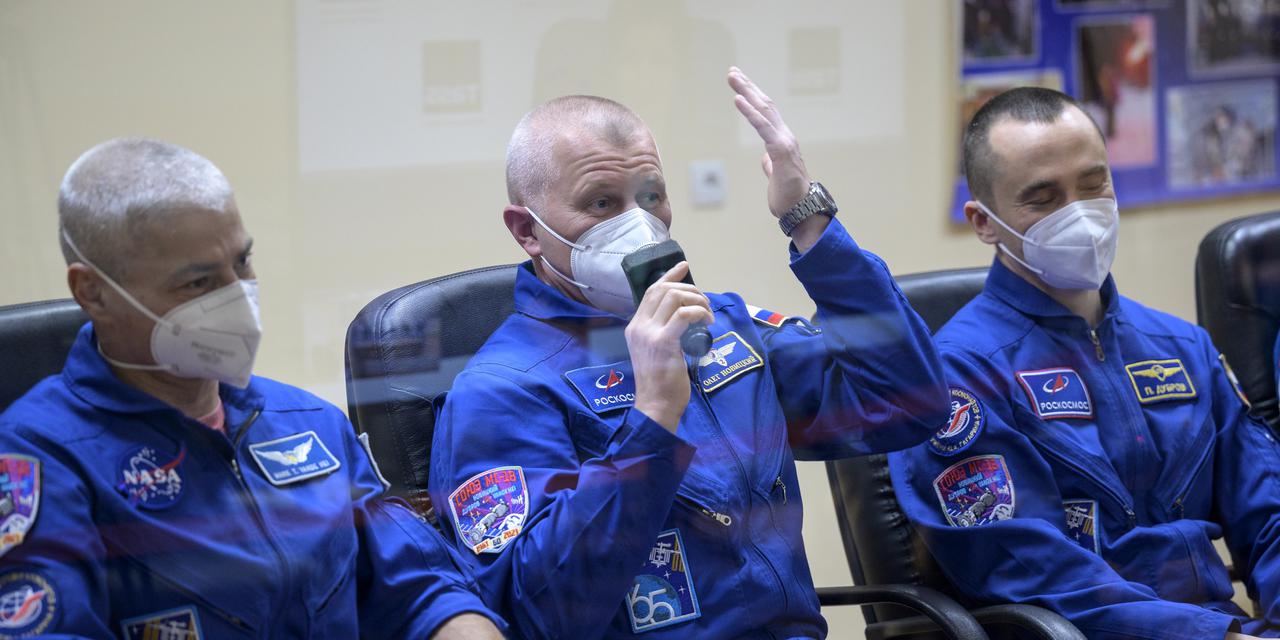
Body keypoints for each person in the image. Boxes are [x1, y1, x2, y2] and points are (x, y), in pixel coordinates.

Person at [427, 67, 949, 638]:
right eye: (601, 203)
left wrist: (808, 221)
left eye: (651, 196)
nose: (638, 224)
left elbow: (909, 405)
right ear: (528, 231)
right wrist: (652, 420)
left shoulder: (721, 325)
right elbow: (537, 612)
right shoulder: (502, 390)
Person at [0, 138, 506, 639]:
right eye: (197, 283)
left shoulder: (310, 422)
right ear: (93, 292)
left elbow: (417, 588)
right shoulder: (37, 458)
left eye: (241, 264)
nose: (236, 297)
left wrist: (463, 626)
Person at [888, 87, 1280, 639]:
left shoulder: (1181, 346)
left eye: (1094, 185)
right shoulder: (956, 379)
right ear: (984, 222)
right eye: (1043, 197)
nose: (1079, 214)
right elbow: (1031, 573)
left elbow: (1268, 508)